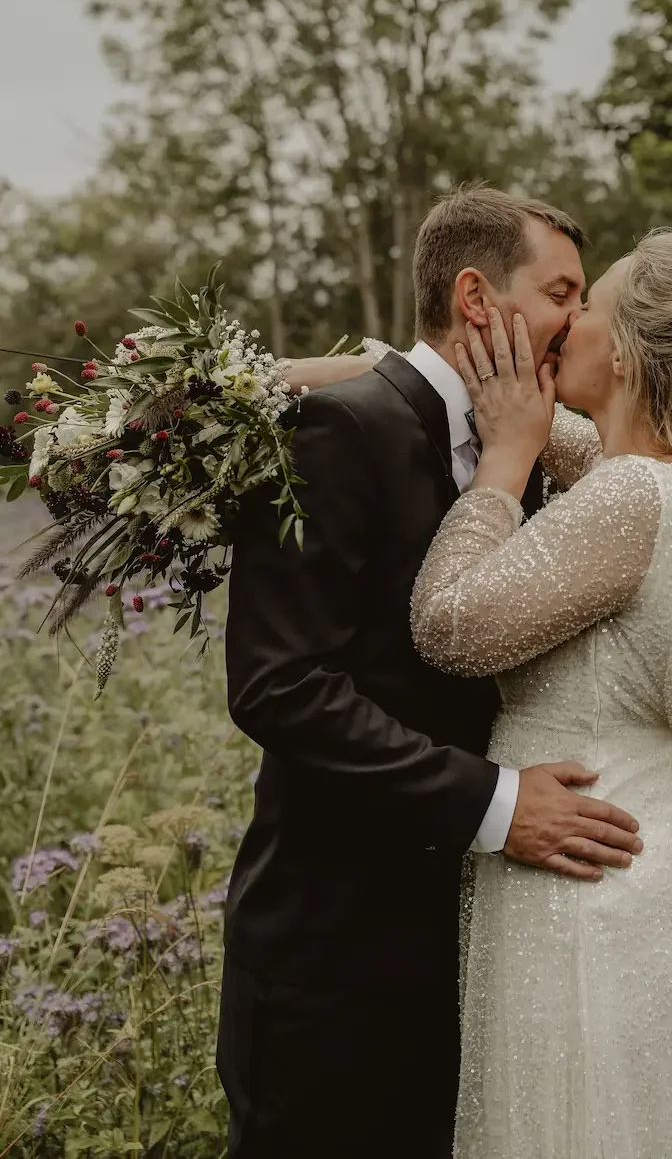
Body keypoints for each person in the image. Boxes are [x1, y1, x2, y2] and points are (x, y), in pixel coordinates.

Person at [298, 226, 672, 1157]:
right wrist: (293, 375)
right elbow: (490, 401)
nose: (566, 327)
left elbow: (447, 628)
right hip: (645, 860)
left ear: (631, 348)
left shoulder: (628, 497)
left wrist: (501, 468)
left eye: (588, 306)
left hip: (582, 883)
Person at [216, 185, 644, 1159]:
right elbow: (281, 686)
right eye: (561, 291)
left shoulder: (527, 446)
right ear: (476, 298)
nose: (578, 321)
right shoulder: (340, 430)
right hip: (331, 958)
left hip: (478, 952)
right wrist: (496, 805)